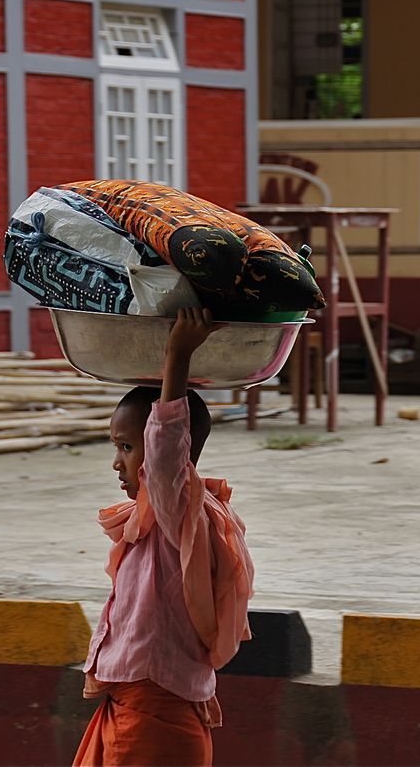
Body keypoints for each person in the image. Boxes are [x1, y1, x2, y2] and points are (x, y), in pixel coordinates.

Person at [73, 306, 255, 767]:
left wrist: (178, 353)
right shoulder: (152, 521)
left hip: (154, 721)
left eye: (127, 447)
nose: (118, 462)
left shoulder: (182, 513)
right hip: (136, 710)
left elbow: (166, 451)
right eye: (116, 446)